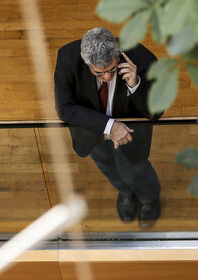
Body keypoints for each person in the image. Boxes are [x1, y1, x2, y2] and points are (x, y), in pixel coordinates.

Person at [54, 27, 162, 228]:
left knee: (136, 170)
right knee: (107, 166)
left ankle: (150, 199)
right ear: (88, 64)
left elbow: (155, 113)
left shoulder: (143, 59)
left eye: (111, 70)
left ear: (118, 56)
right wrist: (110, 126)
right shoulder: (67, 58)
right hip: (91, 134)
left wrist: (134, 84)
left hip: (132, 137)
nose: (106, 77)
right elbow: (65, 110)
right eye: (99, 72)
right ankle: (125, 192)